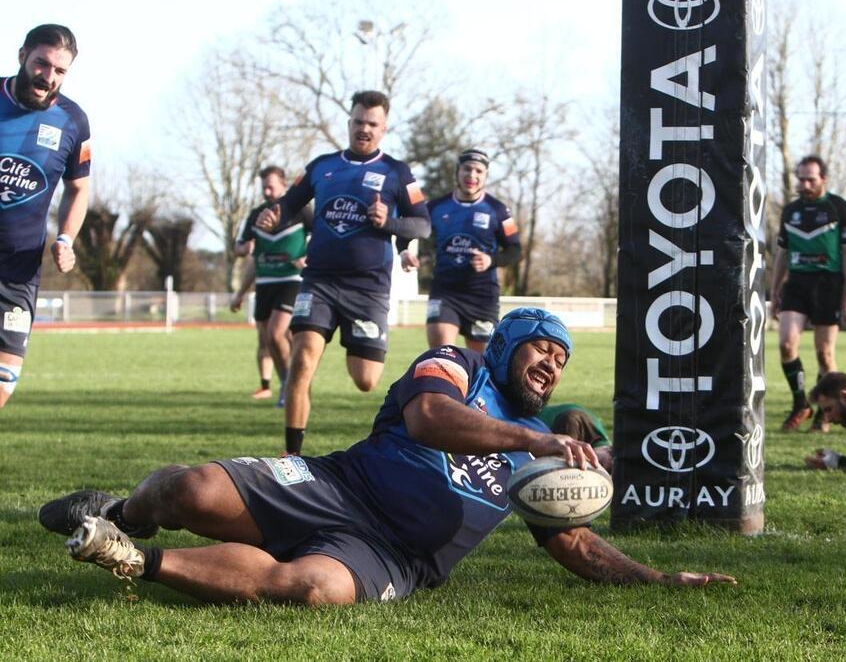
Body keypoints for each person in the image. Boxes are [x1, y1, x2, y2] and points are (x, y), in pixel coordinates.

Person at [38, 308, 735, 604]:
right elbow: (429, 419)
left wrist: (657, 580)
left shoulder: (546, 449)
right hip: (338, 486)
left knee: (315, 590)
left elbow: (575, 544)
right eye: (541, 349)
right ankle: (123, 511)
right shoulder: (455, 365)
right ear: (507, 345)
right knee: (190, 490)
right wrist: (532, 437)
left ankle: (130, 557)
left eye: (562, 360)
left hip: (399, 557)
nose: (551, 365)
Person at [256, 91, 430, 455]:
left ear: (384, 128)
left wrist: (389, 223)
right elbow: (290, 204)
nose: (363, 129)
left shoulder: (397, 173)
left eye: (372, 124)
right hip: (319, 281)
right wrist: (275, 214)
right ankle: (292, 456)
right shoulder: (322, 166)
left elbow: (422, 226)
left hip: (367, 289)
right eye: (358, 122)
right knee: (303, 358)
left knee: (366, 380)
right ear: (349, 122)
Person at [0, 25, 90, 408]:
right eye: (42, 64)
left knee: (5, 380)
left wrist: (66, 238)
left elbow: (79, 188)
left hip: (18, 270)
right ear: (23, 55)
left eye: (60, 71)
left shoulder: (73, 122)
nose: (48, 77)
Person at [397, 149, 521, 353]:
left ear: (485, 176)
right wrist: (404, 252)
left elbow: (515, 250)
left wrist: (491, 260)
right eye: (467, 169)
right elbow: (408, 230)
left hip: (482, 296)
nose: (472, 175)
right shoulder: (436, 206)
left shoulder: (497, 210)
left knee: (482, 367)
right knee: (442, 356)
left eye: (479, 171)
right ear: (457, 172)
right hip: (445, 293)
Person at [771, 155, 846, 433]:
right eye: (801, 179)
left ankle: (825, 413)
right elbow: (782, 254)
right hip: (796, 284)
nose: (805, 184)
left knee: (824, 354)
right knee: (786, 343)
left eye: (811, 179)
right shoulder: (791, 211)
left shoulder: (840, 209)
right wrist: (774, 290)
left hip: (828, 286)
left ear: (824, 179)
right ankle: (801, 404)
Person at [231, 166, 313, 407]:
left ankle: (292, 386)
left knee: (277, 333)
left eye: (271, 186)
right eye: (264, 187)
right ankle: (287, 382)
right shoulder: (257, 215)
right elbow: (241, 249)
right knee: (268, 339)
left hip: (292, 280)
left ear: (283, 185)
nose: (267, 191)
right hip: (265, 283)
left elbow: (324, 236)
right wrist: (240, 291)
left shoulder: (300, 211)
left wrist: (308, 256)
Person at [538, 402, 613, 471]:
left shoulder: (599, 438)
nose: (595, 465)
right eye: (601, 463)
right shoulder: (571, 423)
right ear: (608, 449)